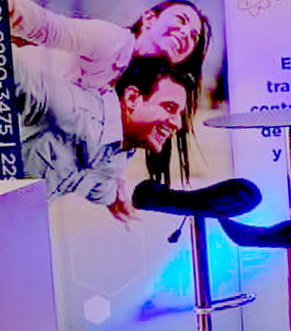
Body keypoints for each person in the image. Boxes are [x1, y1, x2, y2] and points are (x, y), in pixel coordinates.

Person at [7, 0, 210, 184]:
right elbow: (48, 27)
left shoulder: (141, 94)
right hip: (6, 82)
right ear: (149, 19)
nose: (185, 33)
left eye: (194, 36)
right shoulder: (111, 40)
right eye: (181, 20)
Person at [16, 53, 194, 222]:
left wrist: (117, 200)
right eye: (169, 108)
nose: (178, 124)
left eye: (180, 115)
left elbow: (102, 186)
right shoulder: (78, 108)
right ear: (132, 99)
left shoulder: (119, 157)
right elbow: (12, 74)